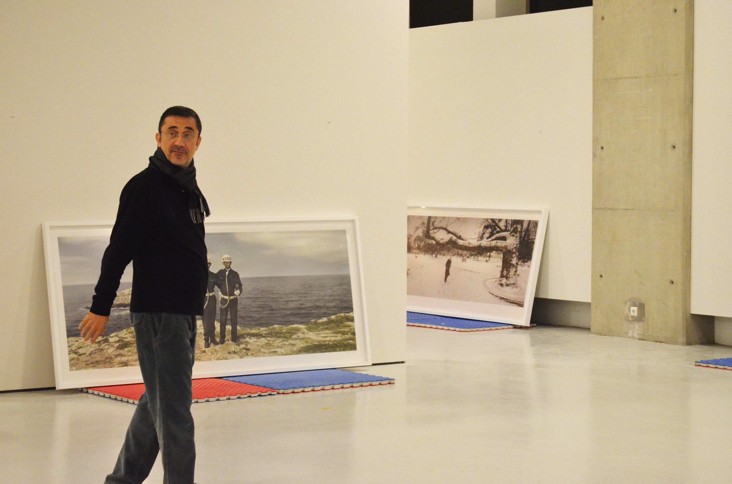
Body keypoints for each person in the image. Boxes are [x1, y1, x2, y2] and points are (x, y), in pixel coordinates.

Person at [78, 106, 210, 484]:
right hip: (159, 315)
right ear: (158, 138)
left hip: (181, 313)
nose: (179, 141)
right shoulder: (145, 187)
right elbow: (119, 249)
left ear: (198, 142)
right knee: (175, 413)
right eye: (172, 132)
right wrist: (101, 306)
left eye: (187, 133)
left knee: (157, 402)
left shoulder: (187, 187)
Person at [216, 254, 243, 343]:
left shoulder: (235, 274)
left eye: (228, 262)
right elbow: (213, 281)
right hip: (224, 300)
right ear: (223, 263)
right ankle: (222, 338)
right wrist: (219, 291)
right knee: (223, 320)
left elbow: (240, 285)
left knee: (233, 320)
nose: (227, 263)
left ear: (230, 263)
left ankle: (234, 339)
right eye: (225, 262)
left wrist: (239, 291)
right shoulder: (220, 273)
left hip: (233, 300)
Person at [203, 256, 220, 347]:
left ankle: (212, 338)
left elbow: (221, 285)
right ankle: (206, 339)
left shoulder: (213, 275)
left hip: (212, 299)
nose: (207, 265)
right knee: (205, 320)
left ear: (210, 265)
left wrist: (234, 288)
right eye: (206, 263)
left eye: (209, 264)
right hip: (204, 299)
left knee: (212, 319)